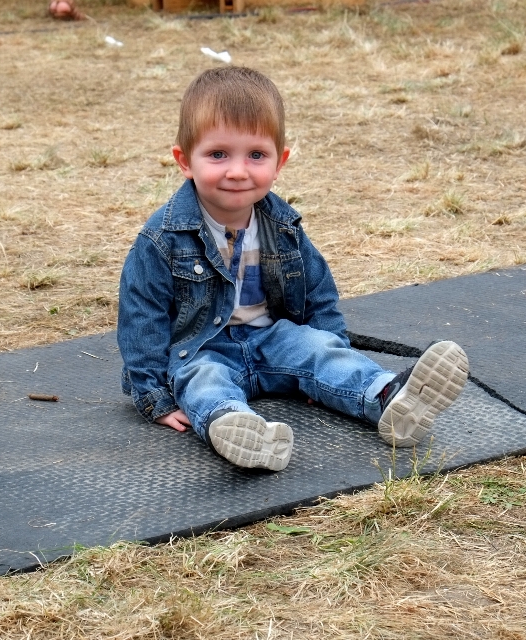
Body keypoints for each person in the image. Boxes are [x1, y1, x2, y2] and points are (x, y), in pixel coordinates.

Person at [117, 66, 469, 471]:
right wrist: (154, 398)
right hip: (202, 348)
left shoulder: (283, 227)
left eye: (256, 155)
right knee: (202, 380)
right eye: (218, 155)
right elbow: (141, 315)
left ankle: (388, 398)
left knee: (320, 351)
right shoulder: (162, 238)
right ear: (184, 160)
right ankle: (236, 426)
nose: (237, 170)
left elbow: (320, 292)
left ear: (279, 162)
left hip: (273, 339)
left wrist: (331, 347)